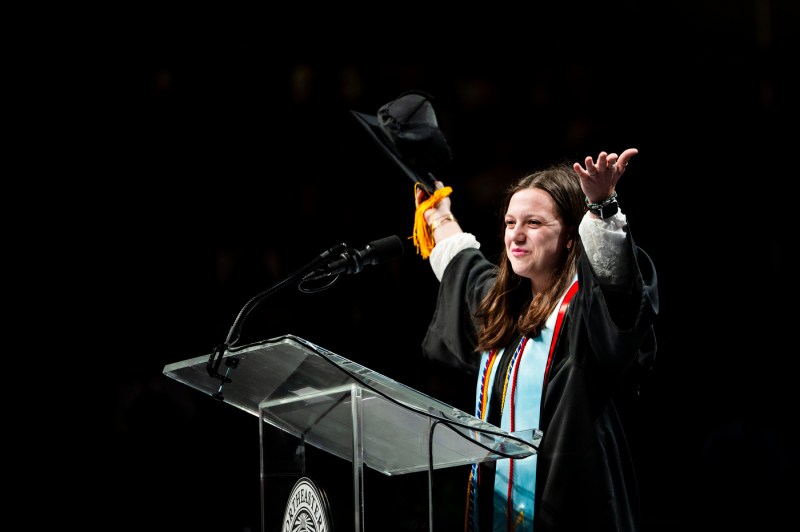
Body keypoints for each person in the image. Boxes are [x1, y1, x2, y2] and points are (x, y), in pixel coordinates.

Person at [412, 148, 658, 532]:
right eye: (510, 222)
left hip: (575, 504)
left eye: (534, 223)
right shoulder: (504, 309)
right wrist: (438, 211)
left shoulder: (586, 312)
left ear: (570, 238)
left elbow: (620, 289)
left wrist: (602, 207)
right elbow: (464, 268)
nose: (517, 235)